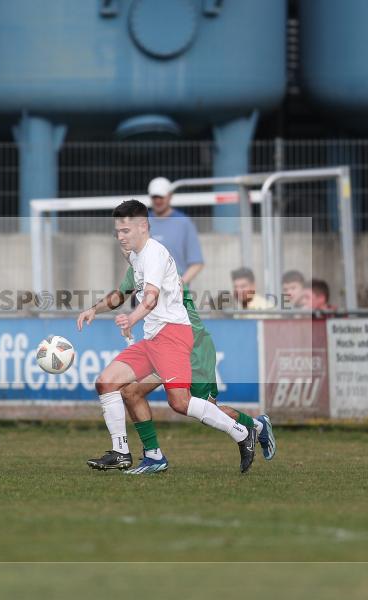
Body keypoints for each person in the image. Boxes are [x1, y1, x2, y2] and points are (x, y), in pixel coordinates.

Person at [76, 200, 258, 474]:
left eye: (125, 230)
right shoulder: (136, 257)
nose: (120, 236)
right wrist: (94, 309)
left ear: (143, 227)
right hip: (153, 340)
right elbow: (121, 294)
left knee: (180, 403)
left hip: (173, 334)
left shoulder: (154, 254)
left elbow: (150, 297)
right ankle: (122, 452)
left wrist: (132, 318)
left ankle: (242, 433)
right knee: (107, 383)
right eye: (117, 231)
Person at [115, 260, 276, 474]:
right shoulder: (137, 271)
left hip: (194, 350)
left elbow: (161, 303)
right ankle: (153, 456)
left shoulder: (165, 273)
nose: (125, 243)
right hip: (164, 350)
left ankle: (256, 426)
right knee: (131, 391)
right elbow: (123, 297)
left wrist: (133, 317)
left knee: (206, 410)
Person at [146, 177, 204, 285]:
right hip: (146, 291)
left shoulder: (184, 223)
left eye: (161, 197)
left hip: (175, 294)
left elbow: (196, 263)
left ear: (170, 196)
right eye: (155, 197)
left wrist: (179, 284)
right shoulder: (142, 223)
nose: (158, 200)